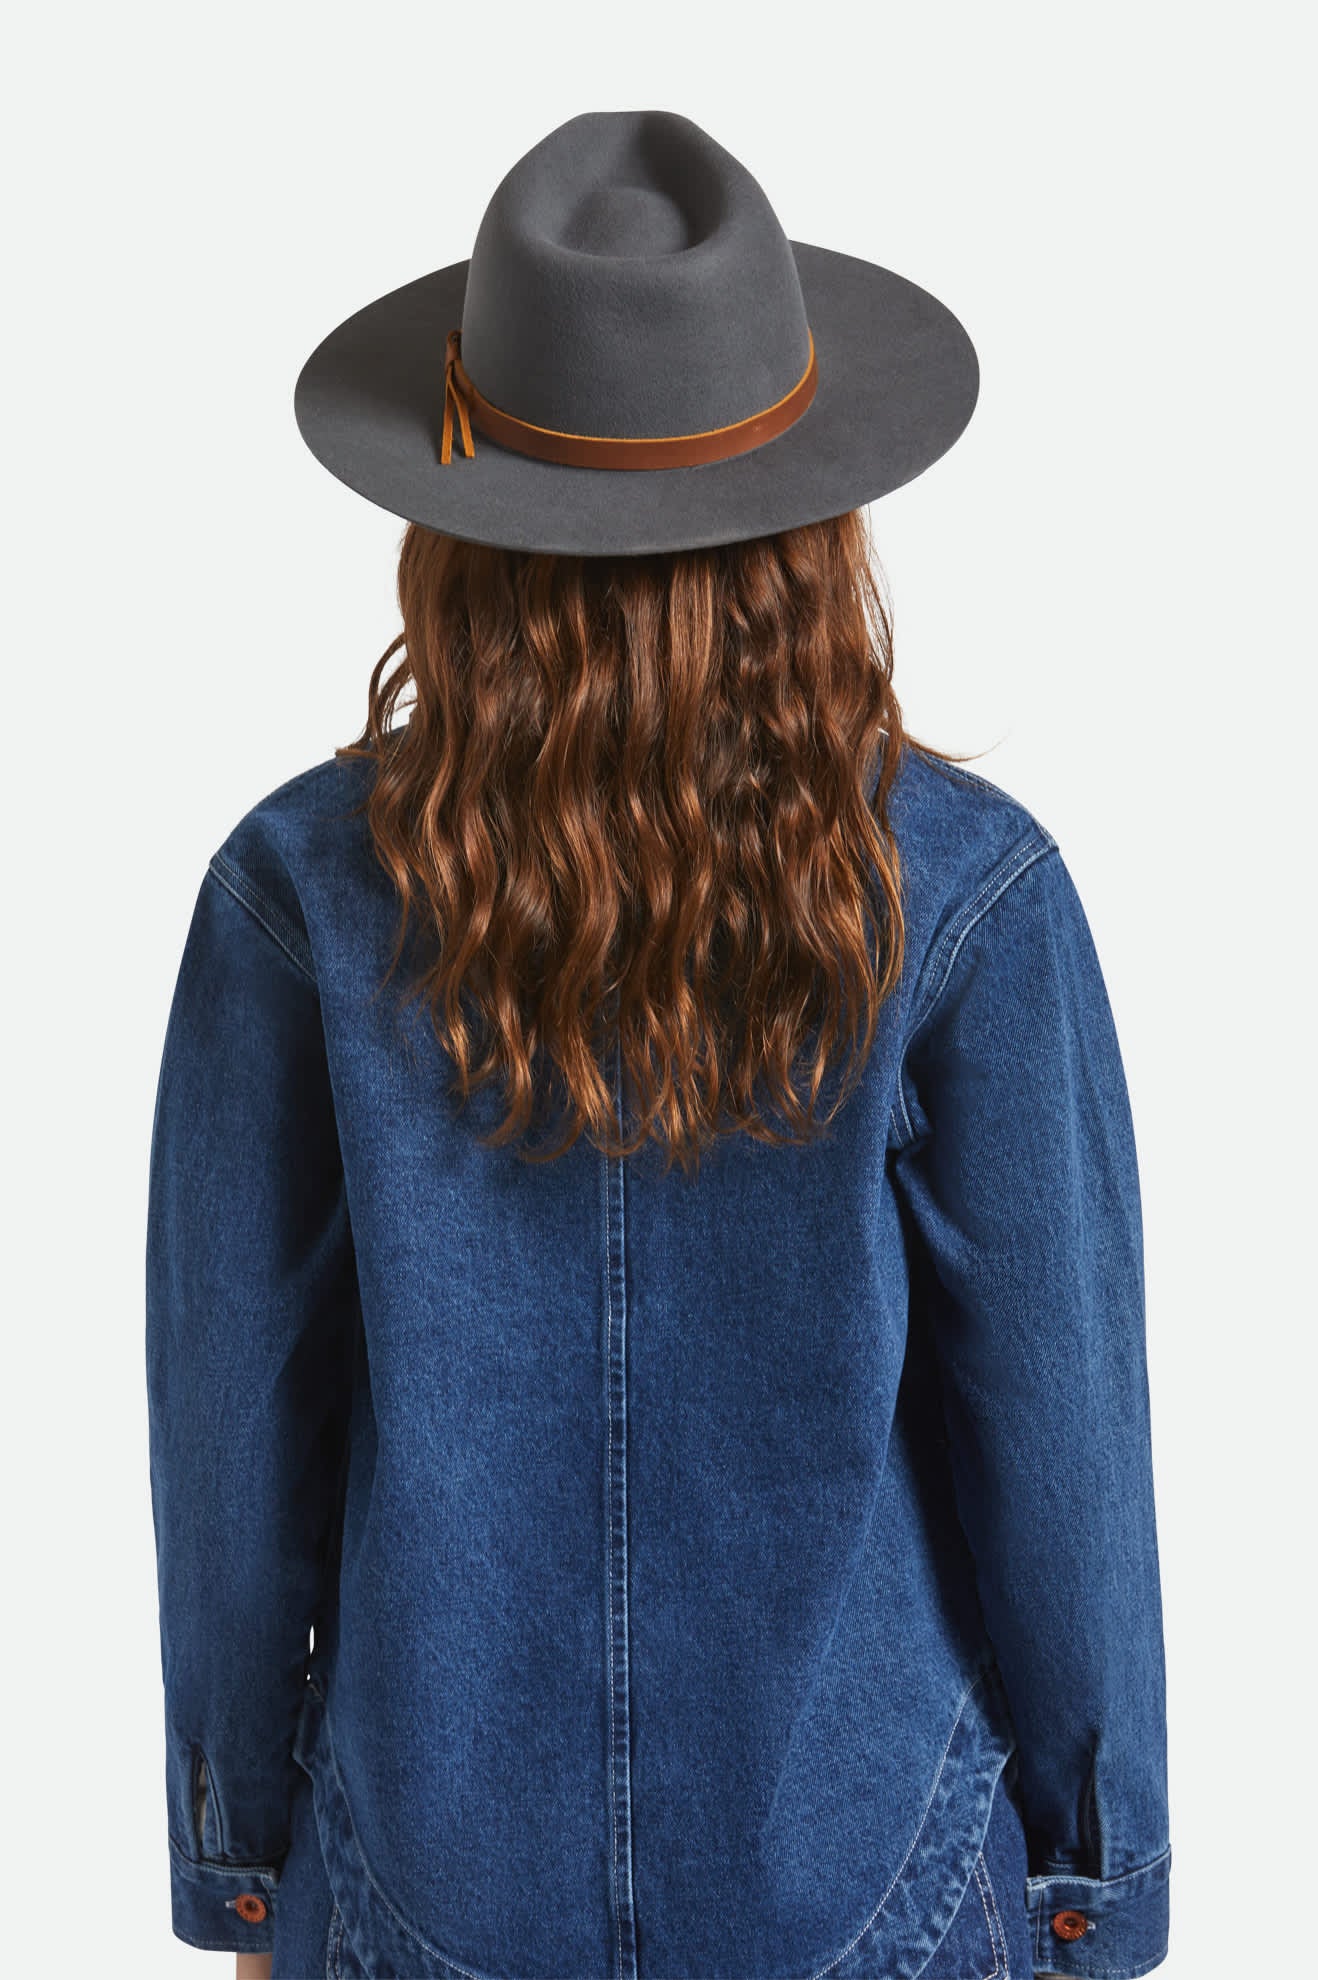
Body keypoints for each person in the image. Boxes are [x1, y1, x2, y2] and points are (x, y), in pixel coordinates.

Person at [145, 109, 1170, 1980]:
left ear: (454, 528)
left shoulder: (296, 893)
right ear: (813, 519)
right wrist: (1096, 1886)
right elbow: (1058, 1446)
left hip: (427, 1882)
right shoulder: (965, 895)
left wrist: (242, 1867)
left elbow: (234, 1445)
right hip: (864, 1884)